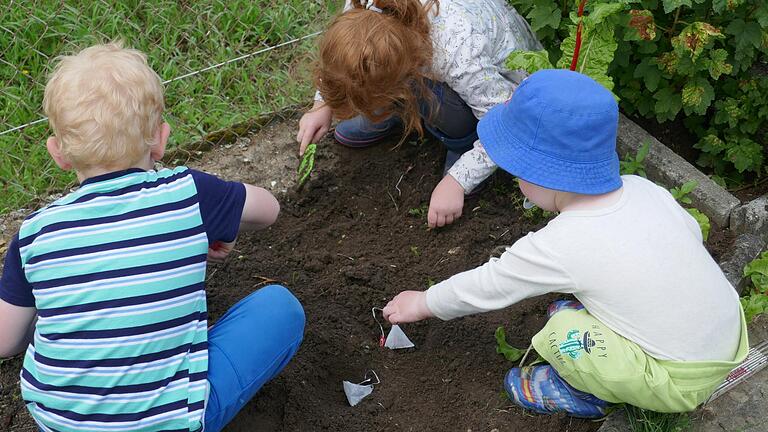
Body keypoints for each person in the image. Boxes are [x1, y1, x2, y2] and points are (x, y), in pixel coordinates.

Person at [382, 69, 748, 417]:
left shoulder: (562, 244)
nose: (515, 178)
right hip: (729, 336)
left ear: (543, 173)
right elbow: (692, 236)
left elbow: (488, 286)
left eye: (518, 170)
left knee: (562, 335)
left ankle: (584, 393)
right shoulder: (643, 188)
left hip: (679, 381)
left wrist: (423, 302)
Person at [0, 42, 305, 432]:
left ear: (58, 153)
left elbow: (6, 341)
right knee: (280, 308)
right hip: (172, 422)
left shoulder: (34, 234)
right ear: (161, 140)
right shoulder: (188, 193)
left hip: (60, 423)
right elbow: (268, 210)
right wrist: (222, 226)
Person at [296, 0, 542, 228]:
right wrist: (322, 105)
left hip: (499, 84)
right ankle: (395, 112)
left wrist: (458, 181)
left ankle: (462, 140)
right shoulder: (364, 6)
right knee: (388, 80)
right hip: (418, 62)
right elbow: (343, 61)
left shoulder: (459, 51)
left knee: (455, 114)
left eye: (370, 105)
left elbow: (504, 123)